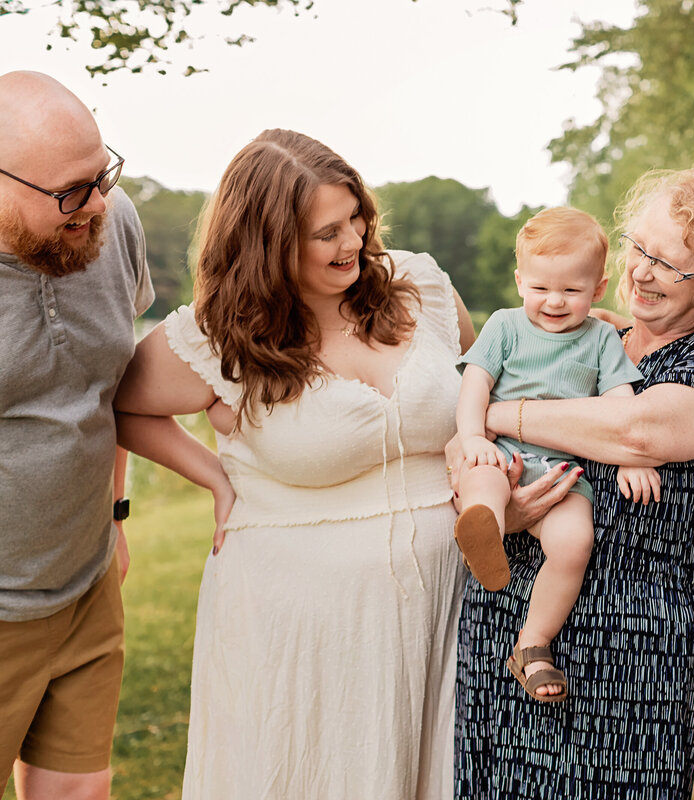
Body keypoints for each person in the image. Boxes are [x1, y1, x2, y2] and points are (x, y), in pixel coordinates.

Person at [113, 129, 477, 799]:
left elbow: (483, 391)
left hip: (447, 601)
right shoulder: (218, 337)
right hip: (300, 622)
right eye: (326, 233)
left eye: (357, 218)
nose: (355, 243)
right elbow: (124, 407)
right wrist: (215, 476)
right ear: (268, 244)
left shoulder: (419, 284)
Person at [454, 164, 694, 798]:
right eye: (640, 249)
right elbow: (461, 453)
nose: (642, 272)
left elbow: (638, 433)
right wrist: (501, 506)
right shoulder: (588, 335)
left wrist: (495, 412)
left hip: (631, 657)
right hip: (503, 628)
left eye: (671, 265)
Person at [0, 71, 153, 800]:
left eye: (103, 175)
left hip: (86, 581)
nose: (95, 205)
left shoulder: (111, 223)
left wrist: (117, 517)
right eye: (70, 191)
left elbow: (112, 387)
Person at [455, 206, 651, 702]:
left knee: (574, 543)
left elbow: (619, 406)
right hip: (503, 452)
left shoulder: (603, 338)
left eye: (571, 290)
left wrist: (631, 456)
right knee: (484, 478)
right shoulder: (503, 326)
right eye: (541, 288)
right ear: (520, 281)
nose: (555, 301)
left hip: (564, 470)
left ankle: (533, 643)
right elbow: (474, 388)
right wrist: (474, 438)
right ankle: (485, 528)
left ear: (599, 289)